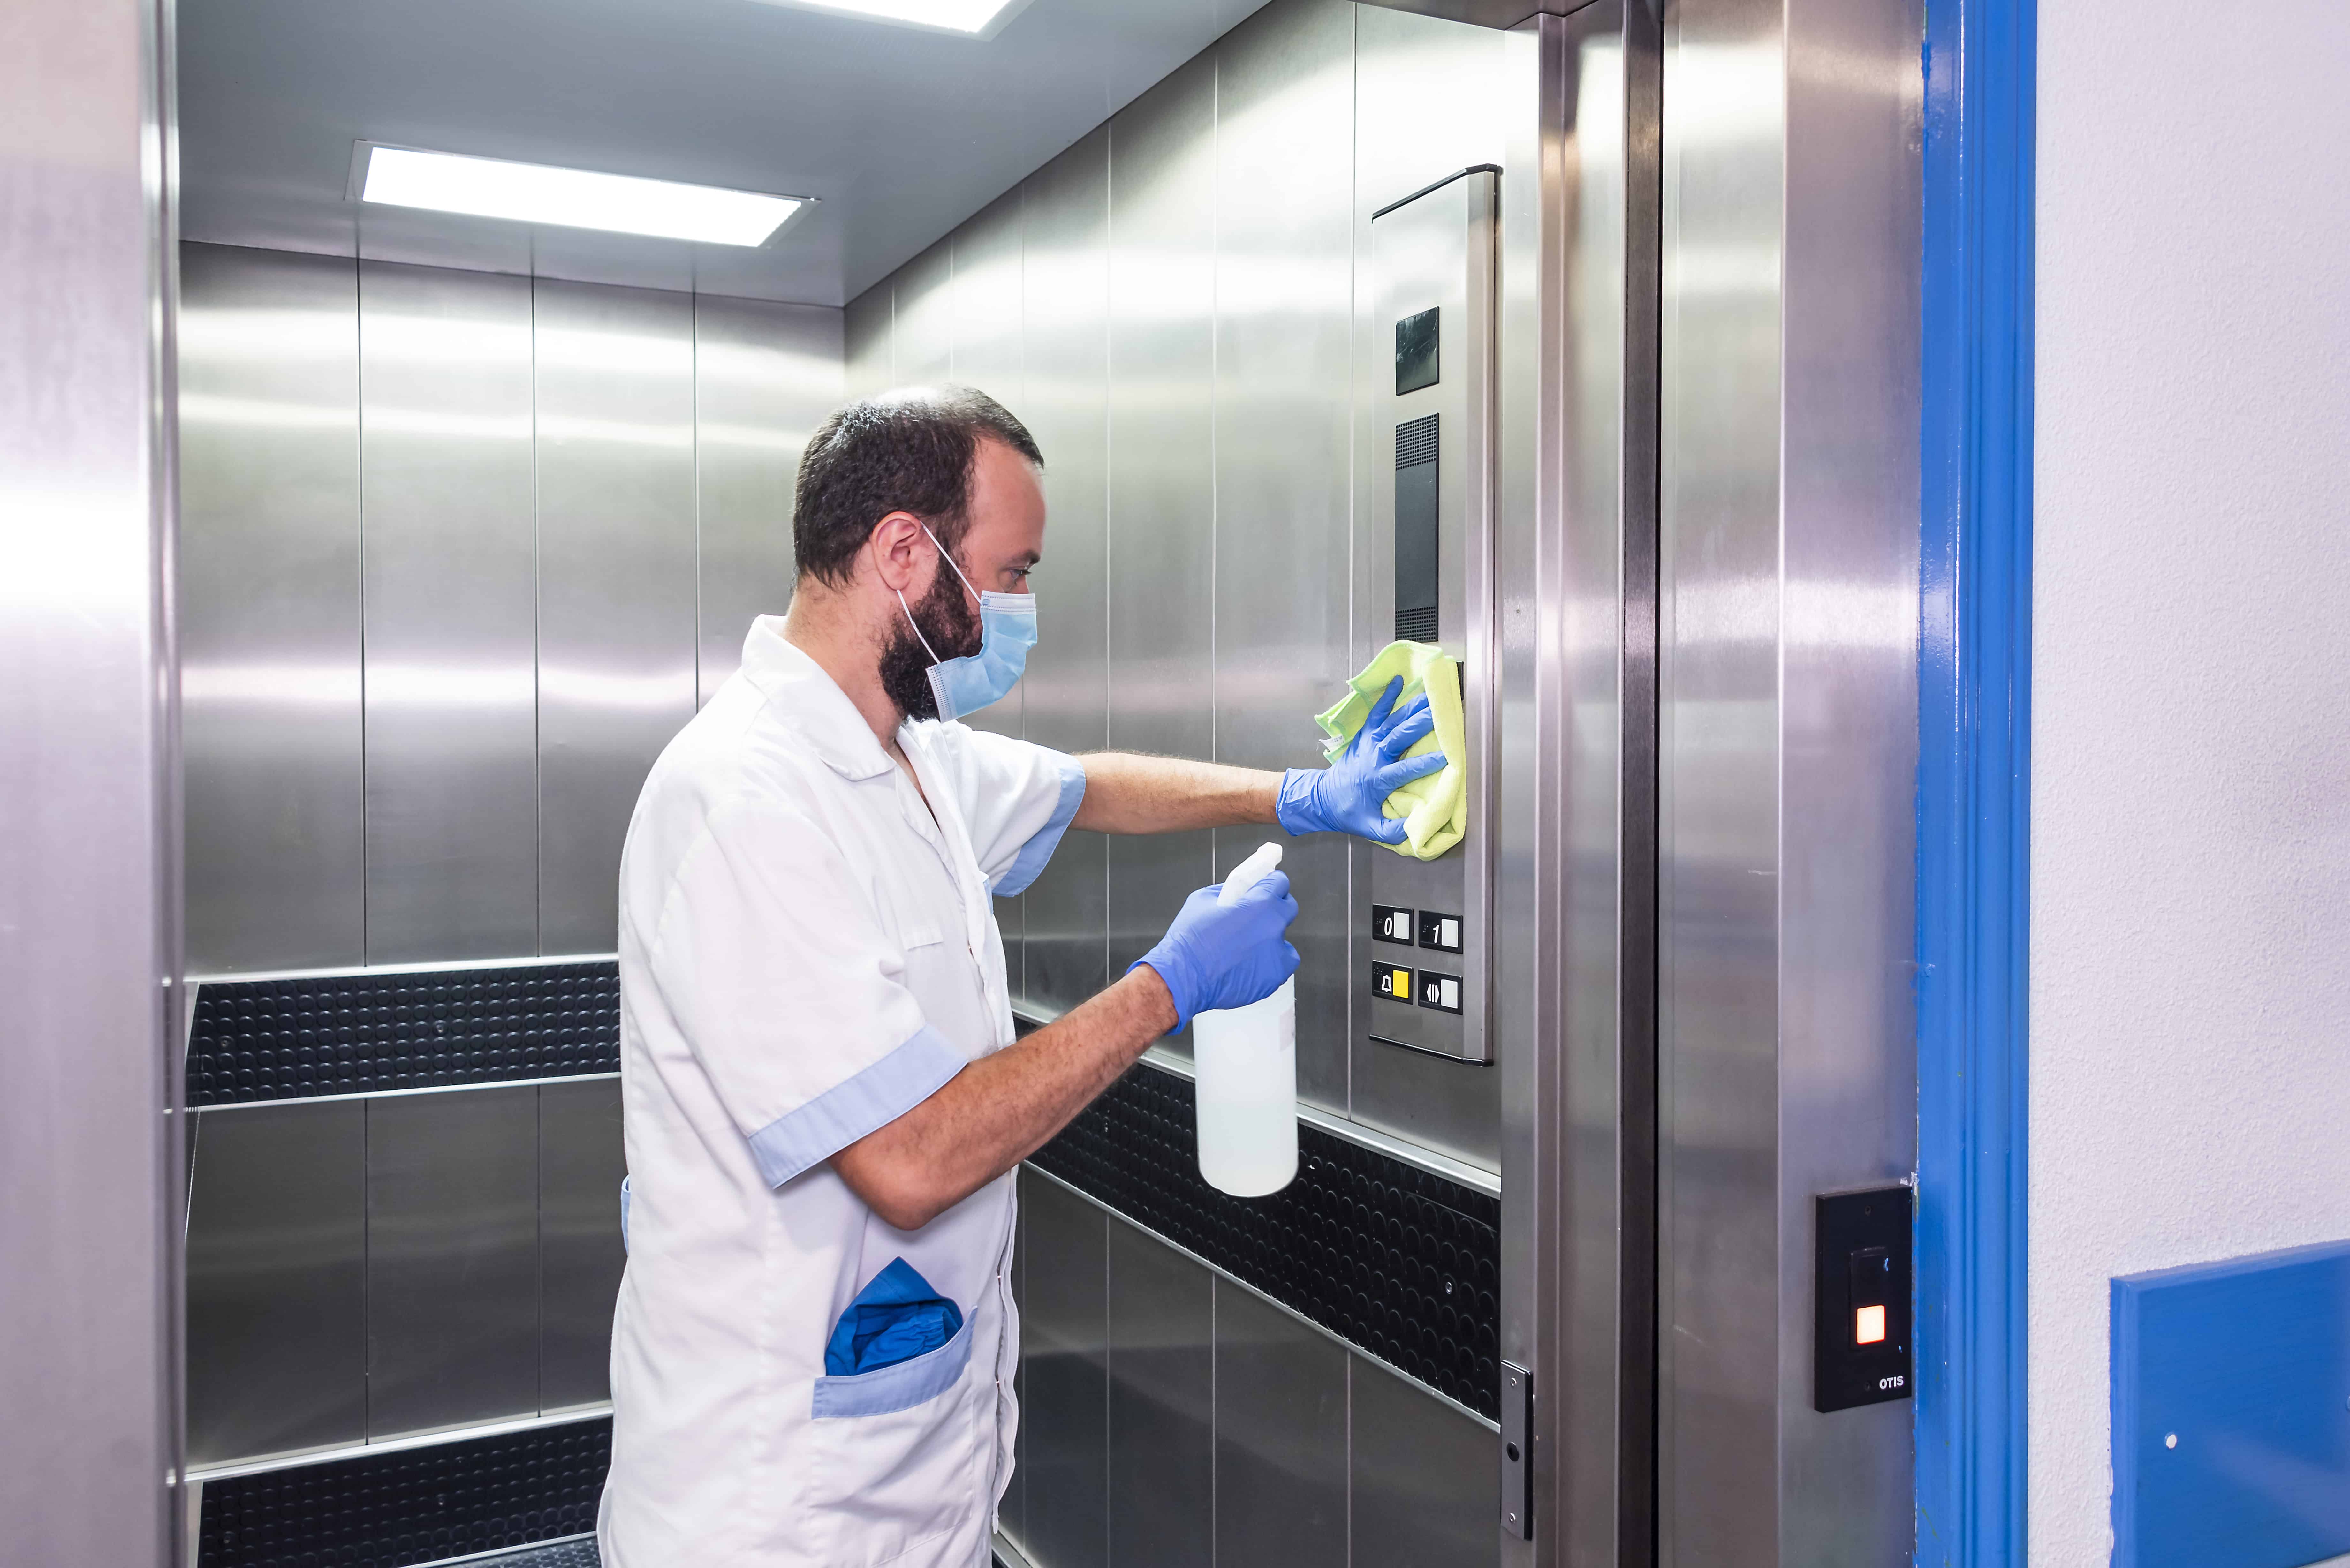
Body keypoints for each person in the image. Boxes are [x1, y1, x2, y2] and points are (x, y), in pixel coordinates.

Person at [597, 387, 1441, 1568]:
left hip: (913, 1481)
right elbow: (909, 1160)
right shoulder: (743, 800)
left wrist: (1296, 797)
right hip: (774, 1508)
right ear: (904, 552)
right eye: (1014, 571)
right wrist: (1169, 986)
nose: (1023, 608)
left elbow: (1086, 786)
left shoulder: (909, 759)